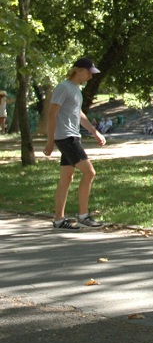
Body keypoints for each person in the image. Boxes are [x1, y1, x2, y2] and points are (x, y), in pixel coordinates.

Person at [43, 58, 107, 230]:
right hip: (66, 137)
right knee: (90, 172)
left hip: (73, 136)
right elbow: (52, 114)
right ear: (78, 70)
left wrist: (95, 132)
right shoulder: (63, 87)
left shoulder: (76, 90)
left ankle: (59, 220)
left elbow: (78, 115)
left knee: (67, 177)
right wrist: (50, 141)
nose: (90, 77)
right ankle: (84, 216)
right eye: (88, 72)